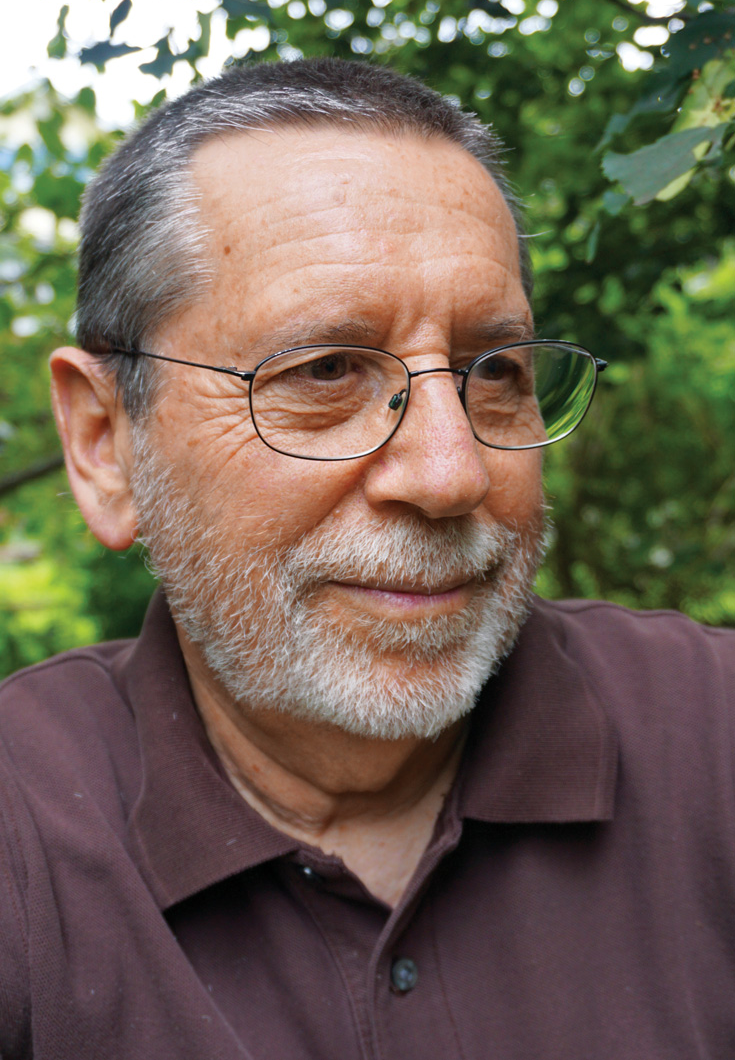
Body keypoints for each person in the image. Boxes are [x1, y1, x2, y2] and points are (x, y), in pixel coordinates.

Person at [1, 57, 734, 1060]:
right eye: (326, 371)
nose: (451, 472)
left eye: (494, 373)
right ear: (103, 442)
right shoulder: (24, 828)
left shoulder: (712, 739)